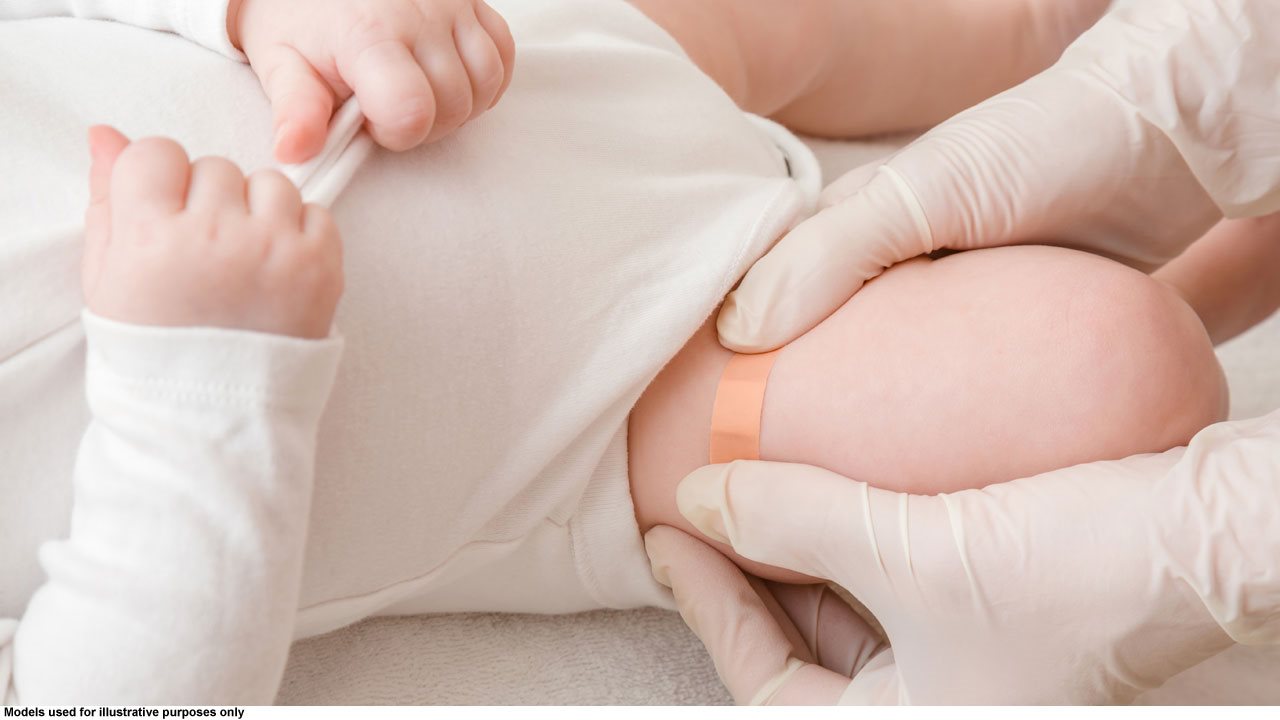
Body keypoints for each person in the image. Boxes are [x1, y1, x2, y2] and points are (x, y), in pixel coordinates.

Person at [0, 0, 1235, 705]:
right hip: (611, 398)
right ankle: (1223, 247)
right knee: (1114, 369)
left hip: (512, 49)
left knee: (927, 26)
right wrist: (198, 380)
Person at [646, 0, 1280, 705]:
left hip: (568, 60)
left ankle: (1014, 35)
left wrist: (1216, 547)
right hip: (611, 357)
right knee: (1116, 364)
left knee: (750, 28)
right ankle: (1173, 282)